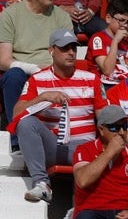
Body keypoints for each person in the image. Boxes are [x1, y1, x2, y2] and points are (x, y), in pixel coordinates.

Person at [10, 27, 97, 203]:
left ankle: (79, 208)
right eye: (65, 48)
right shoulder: (37, 79)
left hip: (85, 147)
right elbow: (16, 114)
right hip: (54, 146)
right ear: (51, 50)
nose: (71, 53)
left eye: (74, 48)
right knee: (25, 123)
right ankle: (42, 184)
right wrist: (43, 97)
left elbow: (104, 117)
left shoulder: (91, 79)